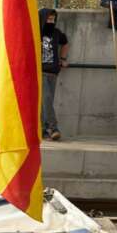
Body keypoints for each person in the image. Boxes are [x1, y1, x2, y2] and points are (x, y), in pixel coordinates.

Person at [39, 8, 69, 141]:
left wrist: (63, 59)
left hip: (54, 73)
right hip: (40, 71)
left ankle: (42, 129)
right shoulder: (36, 32)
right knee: (46, 99)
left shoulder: (57, 33)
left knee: (46, 102)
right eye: (49, 19)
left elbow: (65, 43)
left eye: (53, 19)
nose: (51, 21)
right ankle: (53, 127)